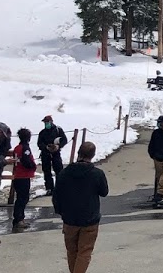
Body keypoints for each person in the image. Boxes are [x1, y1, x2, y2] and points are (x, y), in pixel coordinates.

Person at [53, 142, 109, 273]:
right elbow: (104, 192)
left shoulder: (64, 173)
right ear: (93, 155)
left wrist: (61, 212)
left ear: (78, 153)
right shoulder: (97, 173)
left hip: (70, 218)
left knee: (72, 251)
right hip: (90, 217)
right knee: (84, 252)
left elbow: (57, 195)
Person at [11, 128, 37, 231]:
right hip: (24, 175)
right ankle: (19, 219)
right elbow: (26, 161)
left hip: (18, 175)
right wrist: (32, 166)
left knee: (20, 198)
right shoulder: (25, 148)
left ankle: (18, 218)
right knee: (23, 198)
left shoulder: (17, 147)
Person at [38, 115, 68, 195]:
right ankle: (49, 188)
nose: (46, 124)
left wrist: (58, 146)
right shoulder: (42, 133)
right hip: (45, 154)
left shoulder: (58, 130)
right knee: (47, 171)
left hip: (56, 153)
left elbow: (64, 140)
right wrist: (46, 147)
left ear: (51, 122)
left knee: (59, 170)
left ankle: (59, 187)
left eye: (47, 122)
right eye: (45, 122)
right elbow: (39, 144)